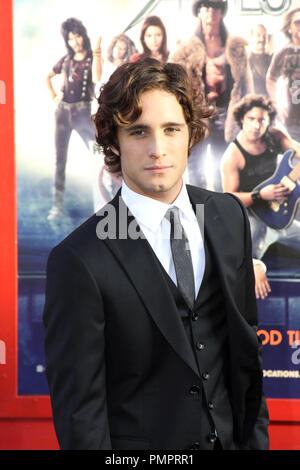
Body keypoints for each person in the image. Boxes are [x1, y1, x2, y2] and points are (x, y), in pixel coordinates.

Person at [43, 59, 269, 450]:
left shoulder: (228, 217)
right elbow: (82, 416)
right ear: (113, 140)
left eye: (171, 129)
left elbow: (247, 360)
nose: (158, 148)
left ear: (191, 133)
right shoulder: (78, 260)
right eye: (138, 131)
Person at [170, 0, 253, 192]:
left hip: (226, 116)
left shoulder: (235, 47)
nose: (210, 13)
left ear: (221, 13)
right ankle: (196, 213)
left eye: (215, 8)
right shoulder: (186, 48)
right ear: (199, 12)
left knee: (222, 168)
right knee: (194, 168)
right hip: (197, 116)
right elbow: (174, 83)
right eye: (205, 8)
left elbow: (246, 85)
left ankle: (218, 213)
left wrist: (244, 117)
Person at [221, 93, 300, 262]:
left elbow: (295, 149)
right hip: (253, 218)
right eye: (251, 119)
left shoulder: (275, 136)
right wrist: (260, 195)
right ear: (242, 119)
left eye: (262, 120)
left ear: (268, 121)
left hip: (281, 213)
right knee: (249, 263)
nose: (256, 125)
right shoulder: (232, 156)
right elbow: (229, 199)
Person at [46, 18, 95, 221]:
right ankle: (57, 206)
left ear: (83, 35)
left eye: (77, 35)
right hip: (62, 114)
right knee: (60, 161)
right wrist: (53, 95)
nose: (75, 41)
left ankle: (107, 201)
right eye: (71, 38)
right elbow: (48, 76)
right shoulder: (65, 59)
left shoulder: (93, 57)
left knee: (99, 155)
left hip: (84, 113)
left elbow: (101, 77)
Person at [266, 7, 300, 141]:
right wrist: (276, 104)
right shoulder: (283, 52)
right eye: (297, 23)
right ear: (289, 28)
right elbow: (271, 78)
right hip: (292, 120)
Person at [248, 24, 273, 96]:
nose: (262, 39)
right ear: (251, 37)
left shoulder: (274, 60)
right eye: (258, 35)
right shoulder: (244, 62)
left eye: (265, 36)